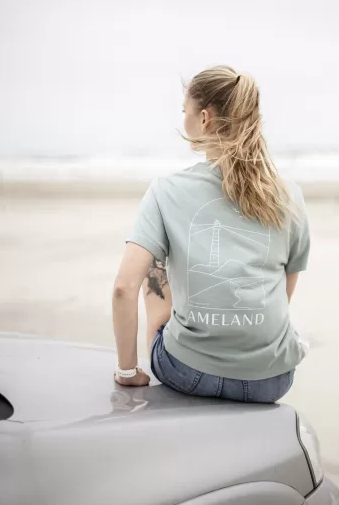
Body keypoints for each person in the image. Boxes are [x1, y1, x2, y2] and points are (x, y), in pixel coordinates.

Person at [112, 65, 310, 403]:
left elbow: (122, 288)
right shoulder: (289, 195)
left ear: (204, 118)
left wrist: (127, 371)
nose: (182, 120)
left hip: (185, 372)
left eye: (184, 111)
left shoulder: (165, 190)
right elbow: (285, 285)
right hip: (271, 379)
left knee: (152, 266)